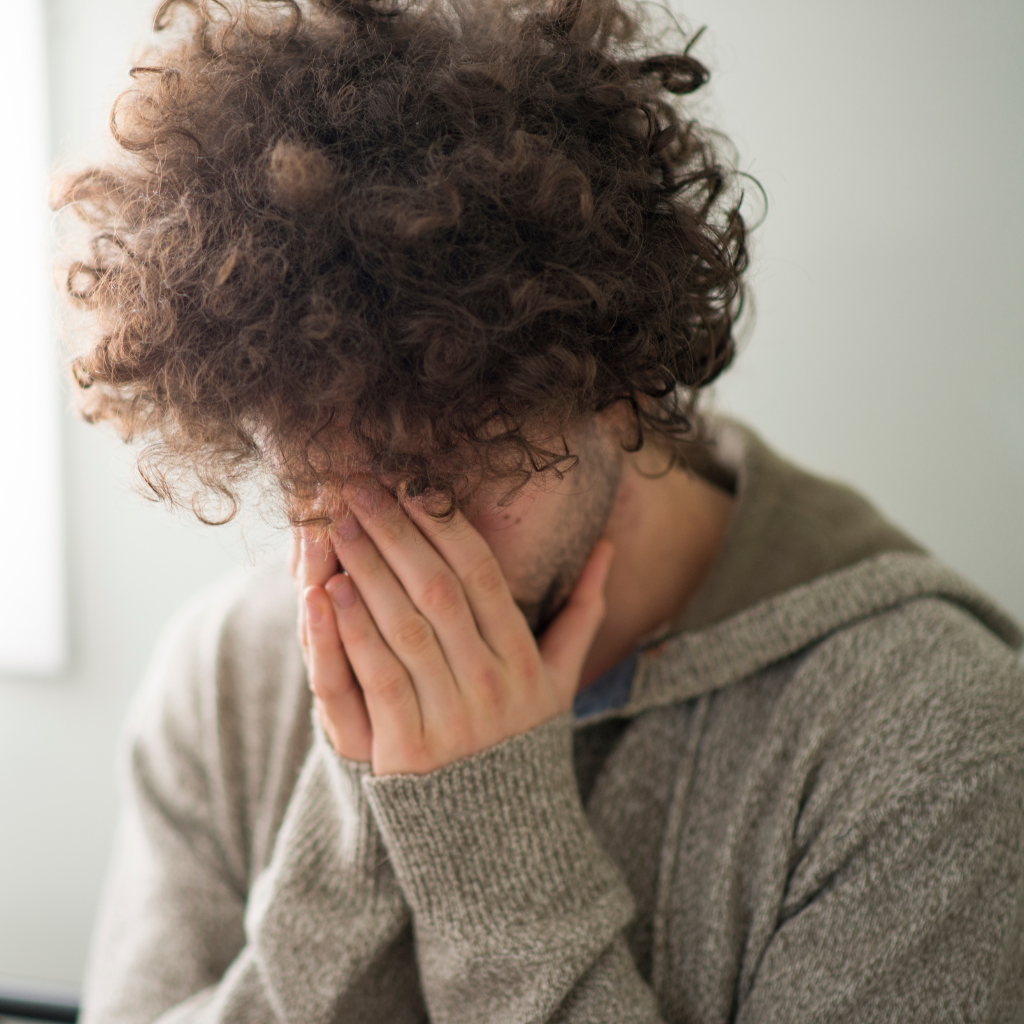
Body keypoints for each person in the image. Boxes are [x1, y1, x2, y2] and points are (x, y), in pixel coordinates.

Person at [59, 0, 1024, 1021]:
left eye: (439, 479)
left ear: (623, 380)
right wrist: (356, 830)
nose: (392, 557)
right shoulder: (223, 679)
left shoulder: (936, 739)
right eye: (319, 488)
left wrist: (487, 845)